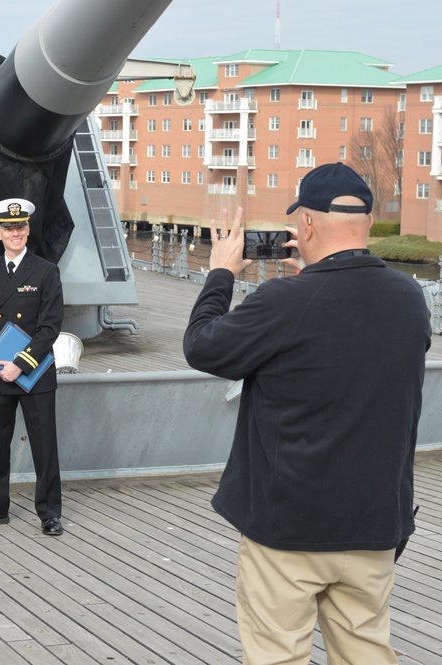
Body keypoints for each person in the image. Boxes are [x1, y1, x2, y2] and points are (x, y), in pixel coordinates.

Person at [183, 162, 431, 664]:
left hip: (290, 527)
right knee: (366, 654)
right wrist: (316, 279)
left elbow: (203, 347)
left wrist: (222, 273)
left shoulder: (285, 300)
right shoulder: (411, 298)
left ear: (310, 226)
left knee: (278, 655)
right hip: (375, 524)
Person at [0, 198, 65, 536]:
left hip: (34, 374)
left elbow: (50, 326)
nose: (15, 232)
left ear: (27, 230)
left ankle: (49, 512)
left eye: (21, 226)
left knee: (44, 445)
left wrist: (20, 364)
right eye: (9, 228)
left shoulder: (46, 271)